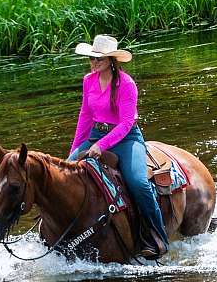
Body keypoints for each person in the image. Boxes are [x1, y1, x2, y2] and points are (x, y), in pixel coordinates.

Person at [67, 34, 169, 259]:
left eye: (99, 59)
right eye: (92, 59)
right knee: (64, 174)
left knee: (138, 182)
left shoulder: (126, 84)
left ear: (112, 60)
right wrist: (73, 151)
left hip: (126, 138)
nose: (94, 63)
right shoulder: (88, 80)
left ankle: (157, 236)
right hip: (95, 135)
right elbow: (85, 116)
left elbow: (125, 123)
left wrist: (102, 145)